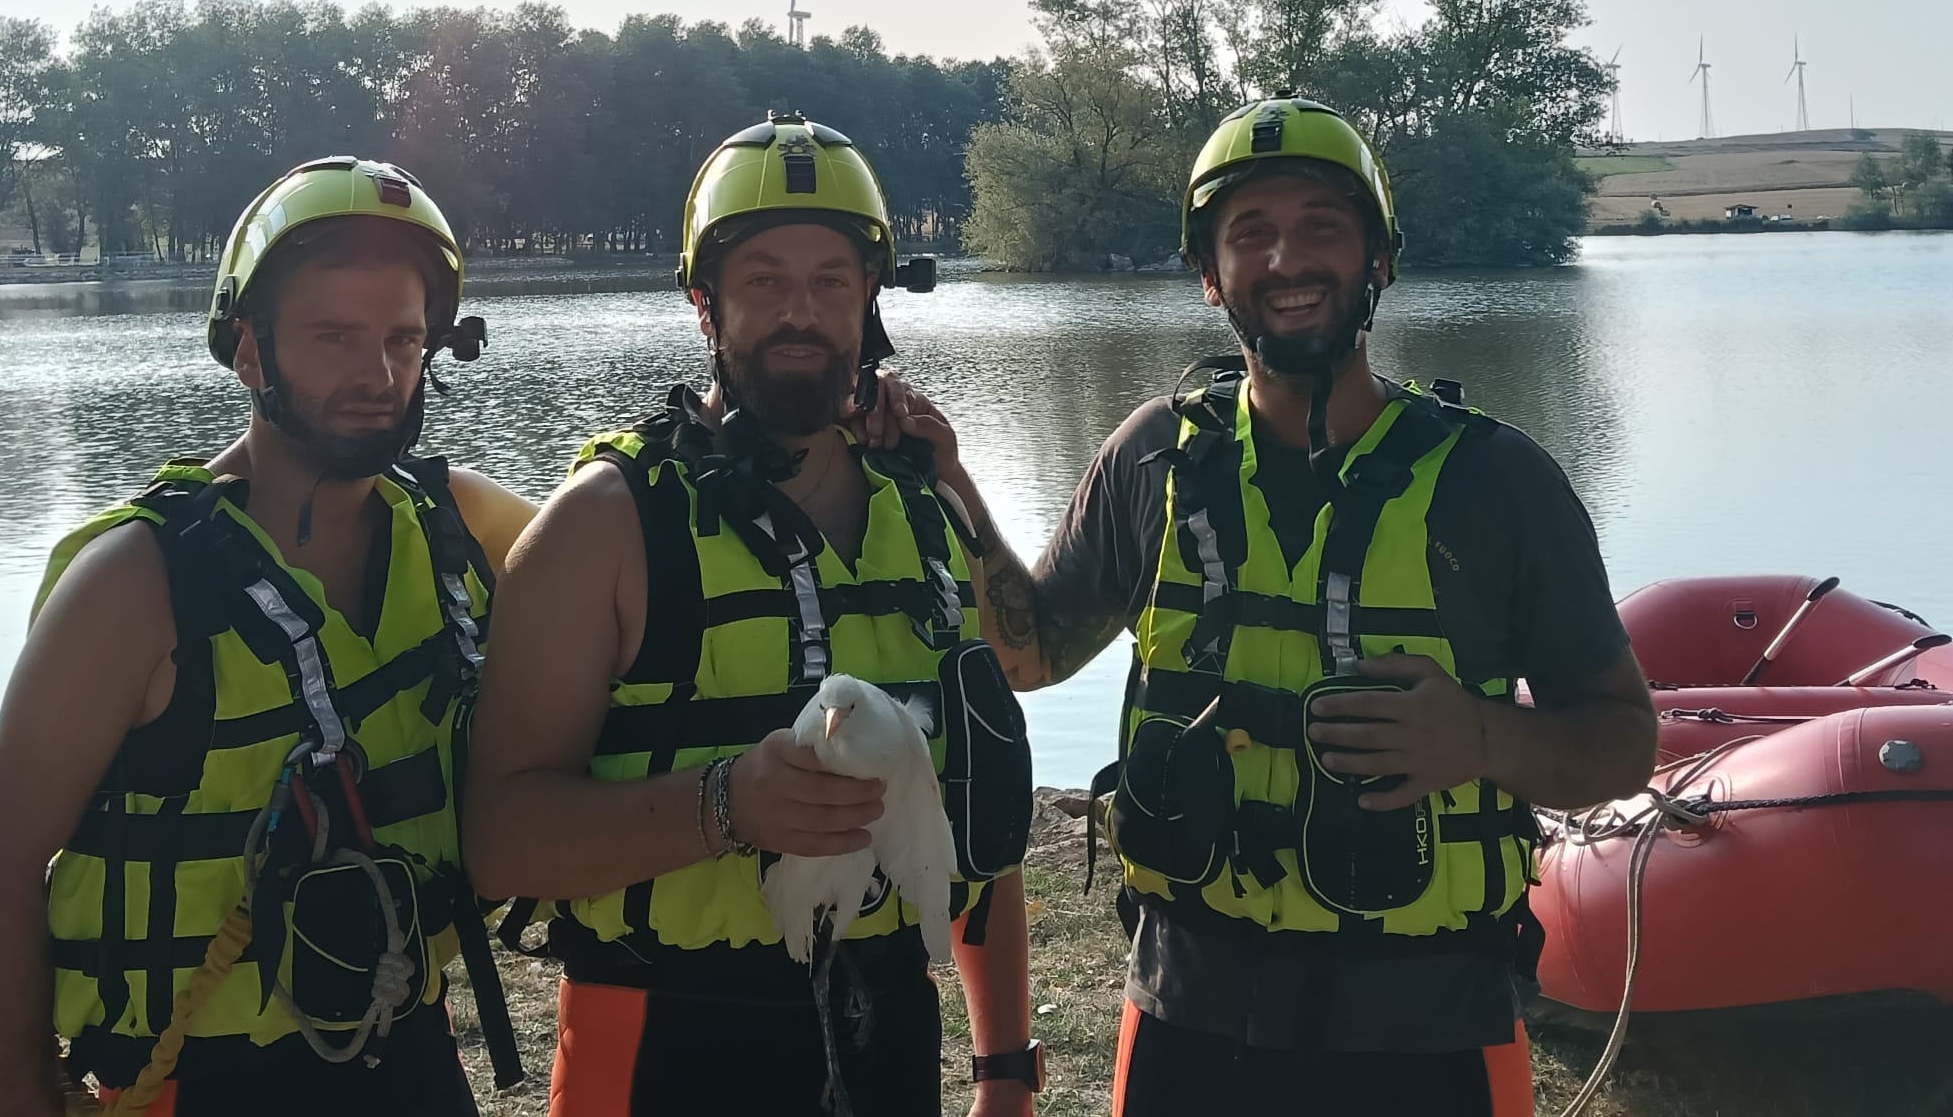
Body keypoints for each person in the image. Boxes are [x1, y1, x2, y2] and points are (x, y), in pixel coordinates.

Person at [873, 96, 1658, 1117]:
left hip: (1426, 1017)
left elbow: (1622, 741)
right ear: (1209, 276)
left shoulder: (1496, 482)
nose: (1288, 257)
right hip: (1189, 1010)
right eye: (1249, 233)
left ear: (1380, 259)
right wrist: (950, 484)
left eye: (1322, 226)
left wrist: (1475, 734)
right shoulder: (1152, 453)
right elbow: (1030, 653)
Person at [467, 112, 1038, 1117]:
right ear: (704, 302)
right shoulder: (603, 522)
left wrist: (1000, 1065)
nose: (799, 312)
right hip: (659, 1034)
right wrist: (724, 804)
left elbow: (973, 814)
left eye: (828, 280)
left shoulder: (922, 507)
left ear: (869, 298)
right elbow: (498, 837)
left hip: (887, 1032)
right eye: (763, 279)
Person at [0, 157, 535, 1117]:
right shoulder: (137, 584)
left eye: (403, 339)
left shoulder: (457, 524)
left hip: (412, 1057)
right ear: (250, 351)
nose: (378, 375)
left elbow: (625, 543)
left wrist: (859, 424)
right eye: (334, 338)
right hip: (196, 1081)